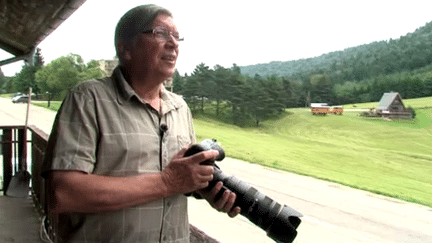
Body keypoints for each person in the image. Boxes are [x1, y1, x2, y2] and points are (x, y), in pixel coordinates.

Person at [42, 4, 240, 243]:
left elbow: (177, 177)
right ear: (125, 49)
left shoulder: (180, 108)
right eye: (160, 33)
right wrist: (168, 182)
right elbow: (64, 193)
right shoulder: (88, 99)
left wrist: (203, 189)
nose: (174, 43)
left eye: (177, 36)